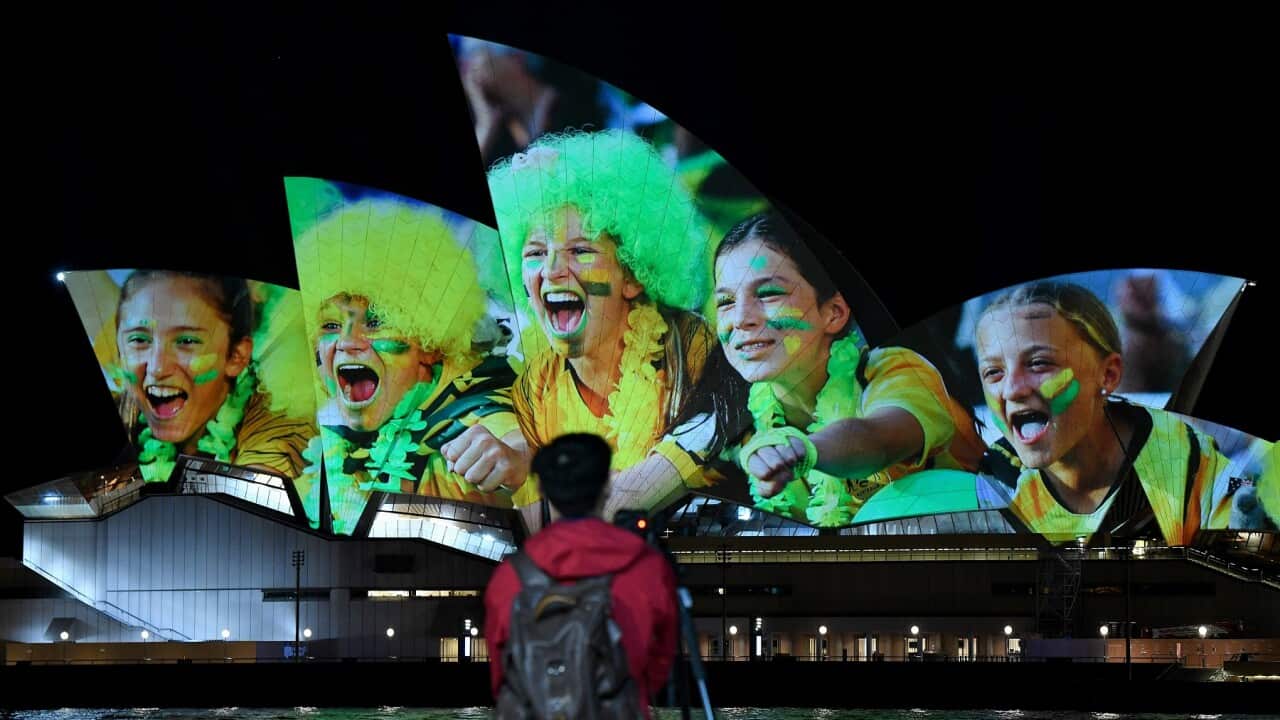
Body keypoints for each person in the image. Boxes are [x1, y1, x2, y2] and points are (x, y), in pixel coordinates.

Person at [488, 130, 725, 526]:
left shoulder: (689, 346)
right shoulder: (534, 387)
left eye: (580, 251)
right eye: (535, 253)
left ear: (632, 275)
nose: (551, 271)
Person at [712, 212, 985, 526]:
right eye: (726, 301)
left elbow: (877, 440)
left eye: (769, 294)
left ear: (834, 312)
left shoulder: (895, 371)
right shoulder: (742, 428)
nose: (742, 318)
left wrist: (808, 451)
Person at [291, 197, 528, 533]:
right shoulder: (329, 443)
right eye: (330, 325)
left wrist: (517, 459)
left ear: (429, 345)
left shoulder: (474, 414)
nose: (346, 341)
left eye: (374, 323)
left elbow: (512, 440)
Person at [972, 281, 1247, 544]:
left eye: (1039, 363)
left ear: (1109, 374)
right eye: (993, 372)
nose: (1011, 390)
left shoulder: (1187, 463)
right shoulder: (1000, 478)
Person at [483, 434, 677, 717]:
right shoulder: (647, 567)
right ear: (607, 485)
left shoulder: (510, 577)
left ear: (541, 487)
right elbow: (659, 666)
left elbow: (501, 673)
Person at [112, 270, 315, 484]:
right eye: (139, 339)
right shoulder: (123, 410)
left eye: (187, 341)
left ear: (236, 356)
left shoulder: (280, 427)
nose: (157, 368)